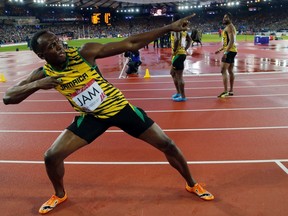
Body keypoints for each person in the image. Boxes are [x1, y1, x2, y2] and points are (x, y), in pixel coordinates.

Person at [3, 14, 214, 215]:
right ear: (41, 55)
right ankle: (59, 194)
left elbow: (130, 43)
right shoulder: (44, 74)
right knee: (51, 156)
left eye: (57, 42)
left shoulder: (84, 53)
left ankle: (192, 183)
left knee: (167, 144)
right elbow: (9, 97)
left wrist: (168, 28)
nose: (59, 47)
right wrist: (39, 84)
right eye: (51, 46)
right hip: (91, 118)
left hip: (120, 108)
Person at [170, 14, 192, 102]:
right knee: (172, 73)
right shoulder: (182, 30)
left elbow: (176, 40)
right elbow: (189, 40)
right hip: (180, 54)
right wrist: (185, 49)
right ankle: (178, 92)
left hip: (178, 54)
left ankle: (182, 96)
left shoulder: (176, 29)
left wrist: (175, 50)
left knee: (179, 76)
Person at [215, 12, 238, 98]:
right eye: (224, 17)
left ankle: (225, 91)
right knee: (230, 71)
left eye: (226, 17)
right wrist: (220, 49)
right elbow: (227, 42)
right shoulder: (229, 27)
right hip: (232, 50)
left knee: (223, 70)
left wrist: (225, 52)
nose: (224, 19)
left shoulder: (230, 27)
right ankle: (231, 90)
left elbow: (231, 41)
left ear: (230, 19)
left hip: (230, 51)